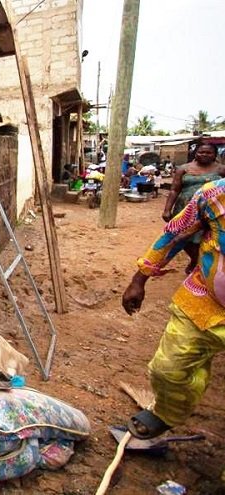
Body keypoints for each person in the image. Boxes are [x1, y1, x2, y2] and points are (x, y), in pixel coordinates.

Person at [122, 177, 225, 441]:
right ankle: (167, 414)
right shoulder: (214, 195)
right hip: (203, 302)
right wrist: (139, 278)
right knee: (167, 370)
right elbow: (175, 233)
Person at [161, 142, 225, 272]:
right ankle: (195, 260)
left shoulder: (221, 169)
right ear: (195, 153)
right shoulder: (183, 169)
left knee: (206, 237)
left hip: (211, 210)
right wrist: (167, 209)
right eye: (201, 152)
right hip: (185, 209)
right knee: (184, 237)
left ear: (214, 155)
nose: (204, 155)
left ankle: (201, 264)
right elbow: (174, 190)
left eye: (208, 152)